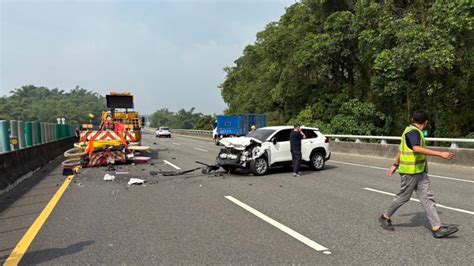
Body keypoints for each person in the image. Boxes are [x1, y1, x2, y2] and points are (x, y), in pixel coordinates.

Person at [378, 110, 458, 238]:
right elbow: (416, 148)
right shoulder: (414, 132)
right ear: (425, 122)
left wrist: (395, 164)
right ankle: (384, 217)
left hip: (420, 172)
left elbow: (401, 150)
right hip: (410, 173)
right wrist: (440, 154)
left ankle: (437, 228)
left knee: (427, 198)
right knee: (403, 197)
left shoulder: (409, 130)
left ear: (412, 119)